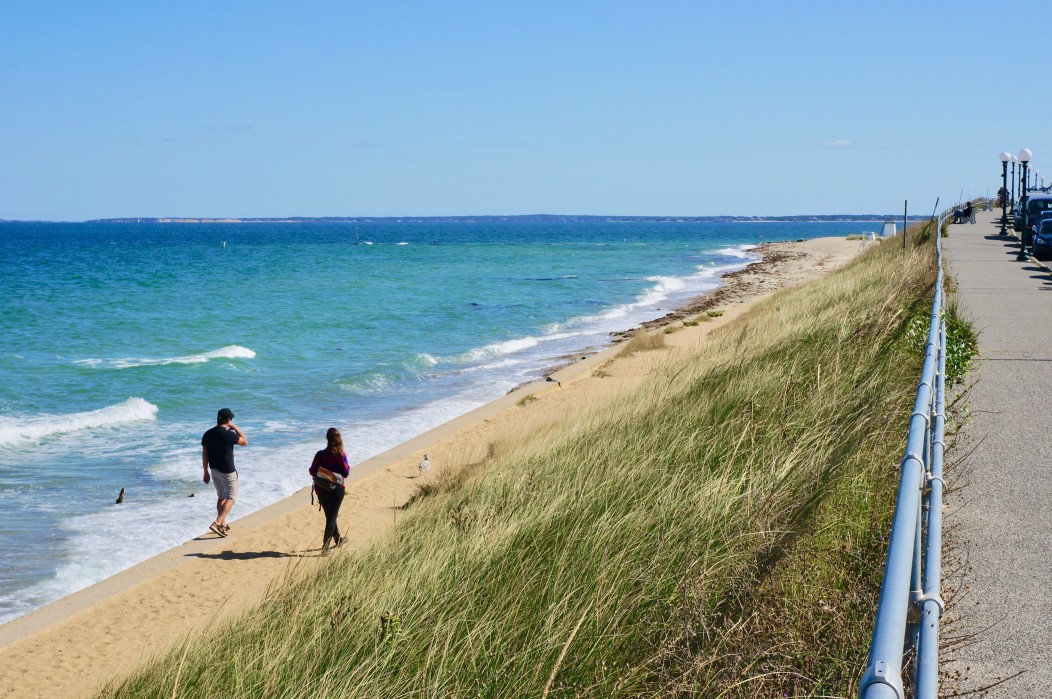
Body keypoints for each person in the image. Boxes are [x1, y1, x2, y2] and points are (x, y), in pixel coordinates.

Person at [201, 408, 247, 538]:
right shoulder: (228, 435)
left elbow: (205, 454)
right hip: (228, 471)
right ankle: (217, 522)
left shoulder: (207, 434)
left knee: (221, 497)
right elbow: (245, 441)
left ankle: (222, 524)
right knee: (231, 497)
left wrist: (205, 472)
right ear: (228, 420)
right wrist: (235, 427)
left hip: (214, 470)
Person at [310, 427, 351, 555]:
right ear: (339, 439)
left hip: (321, 490)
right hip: (336, 491)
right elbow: (346, 473)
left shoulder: (320, 454)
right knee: (331, 517)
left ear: (327, 439)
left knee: (330, 516)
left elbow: (312, 471)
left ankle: (338, 540)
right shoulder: (341, 455)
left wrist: (325, 473)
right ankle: (325, 548)